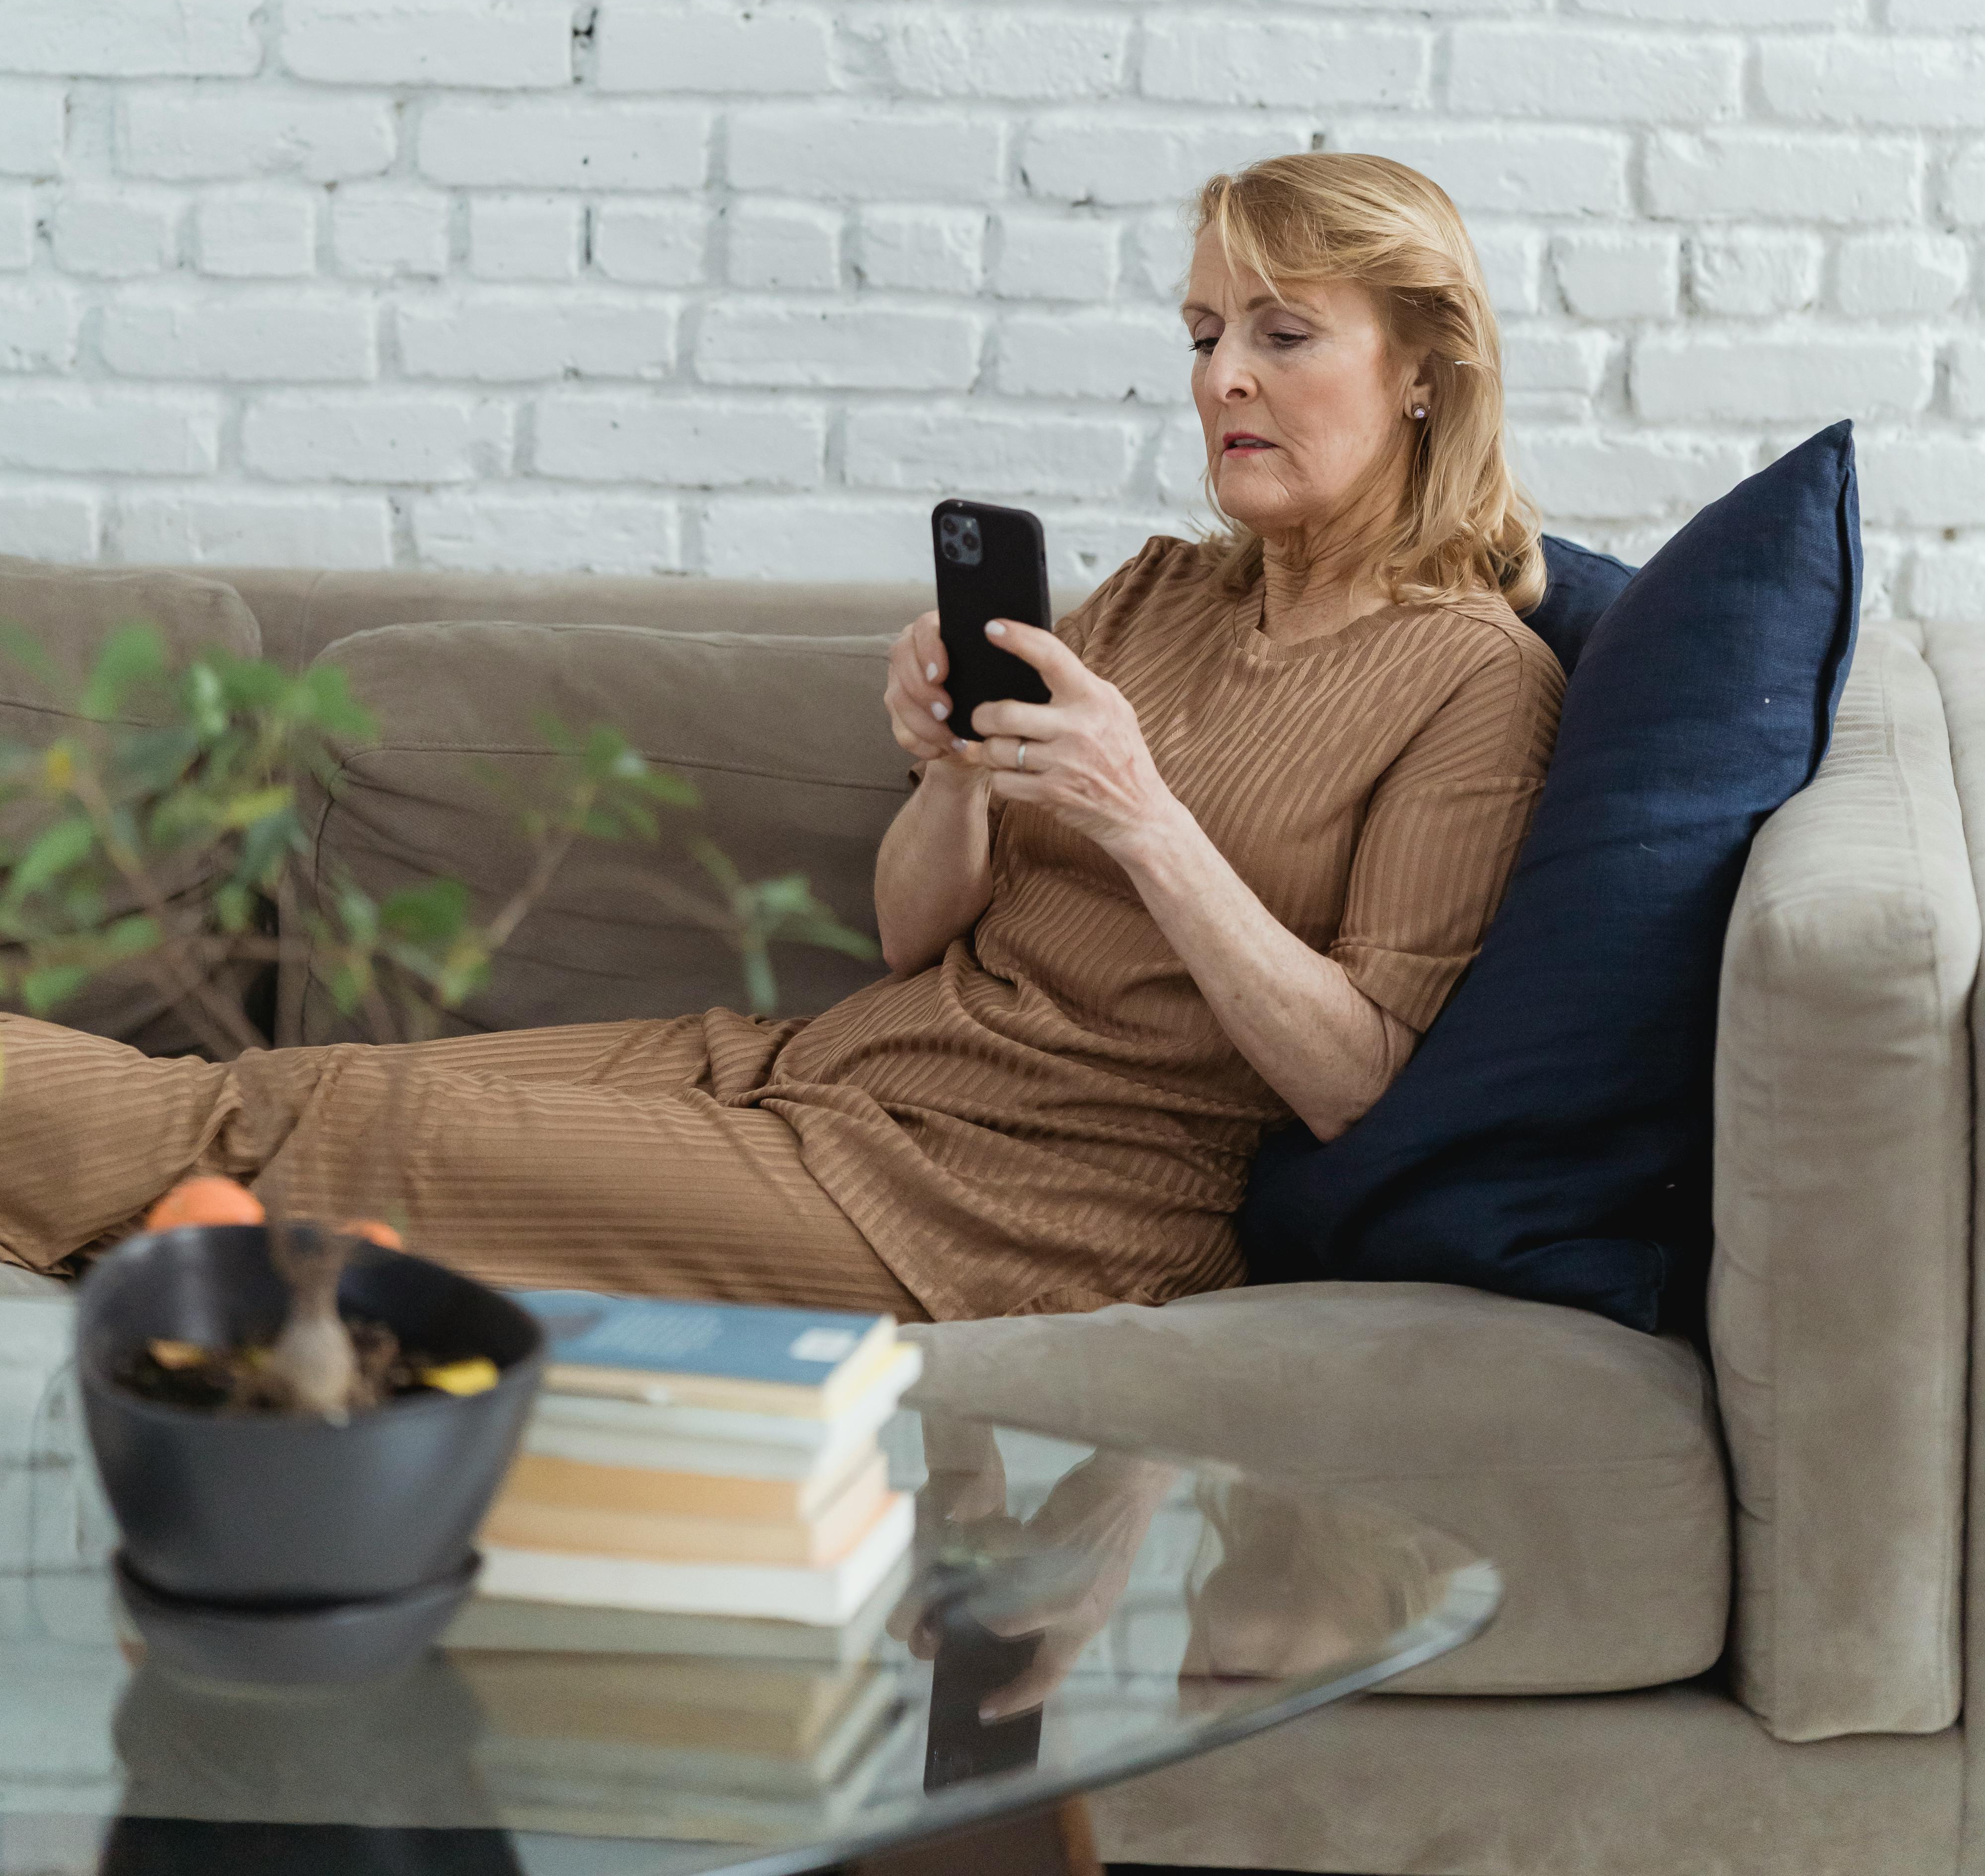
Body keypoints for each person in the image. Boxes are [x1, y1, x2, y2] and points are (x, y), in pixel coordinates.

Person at [0, 152, 1563, 1322]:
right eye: (1205, 331)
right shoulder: (1159, 593)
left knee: (329, 1131)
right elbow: (913, 933)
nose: (1223, 377)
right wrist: (955, 771)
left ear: (1425, 369)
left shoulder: (1472, 683)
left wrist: (1144, 813)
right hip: (834, 1072)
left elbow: (1359, 1079)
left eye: (1285, 336)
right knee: (320, 1083)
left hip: (1030, 1208)